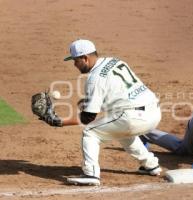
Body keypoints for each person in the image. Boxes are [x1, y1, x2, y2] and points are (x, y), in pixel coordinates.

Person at [43, 39, 162, 186]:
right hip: (154, 113)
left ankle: (91, 174)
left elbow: (88, 118)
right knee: (120, 131)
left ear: (85, 58)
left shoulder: (94, 79)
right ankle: (150, 164)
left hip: (133, 118)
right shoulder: (114, 61)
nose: (74, 65)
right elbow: (117, 91)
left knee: (90, 132)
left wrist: (58, 121)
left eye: (75, 61)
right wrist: (90, 102)